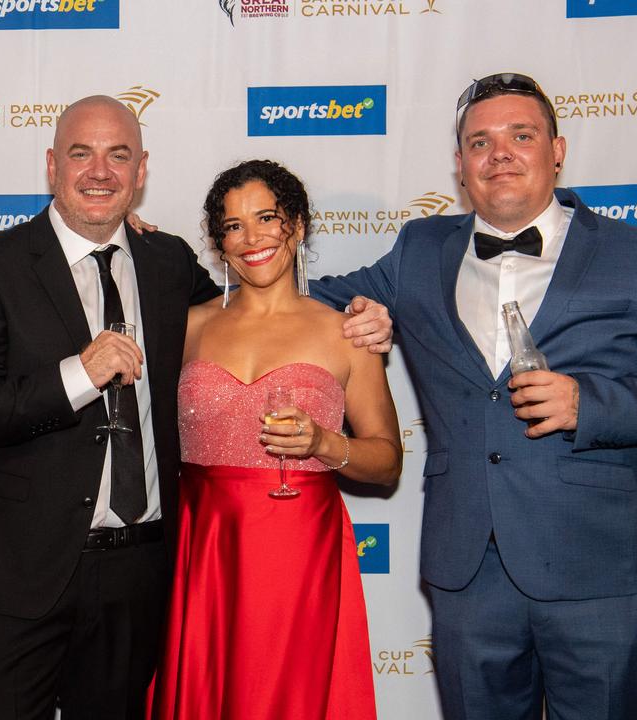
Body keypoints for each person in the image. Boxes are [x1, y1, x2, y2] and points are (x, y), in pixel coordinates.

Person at [0, 96, 392, 719]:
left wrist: (366, 315)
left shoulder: (166, 262)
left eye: (118, 155)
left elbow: (266, 301)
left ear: (141, 171)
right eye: (81, 153)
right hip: (21, 573)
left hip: (146, 572)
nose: (100, 171)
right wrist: (78, 374)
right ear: (51, 165)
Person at [310, 72, 637, 719]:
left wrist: (588, 404)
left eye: (521, 135)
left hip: (596, 574)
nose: (501, 154)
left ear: (557, 148)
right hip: (469, 574)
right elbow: (295, 306)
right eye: (480, 143)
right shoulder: (419, 250)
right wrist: (166, 269)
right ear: (460, 165)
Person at [149, 159, 401, 719]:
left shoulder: (346, 330)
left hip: (299, 554)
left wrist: (325, 445)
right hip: (202, 547)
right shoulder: (185, 326)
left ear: (299, 224)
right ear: (218, 244)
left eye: (267, 218)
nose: (252, 238)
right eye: (234, 226)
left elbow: (387, 461)